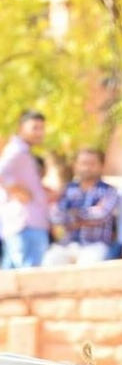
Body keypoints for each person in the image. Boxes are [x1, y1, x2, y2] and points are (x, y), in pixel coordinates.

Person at [44, 148, 119, 266]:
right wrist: (85, 217)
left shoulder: (109, 191)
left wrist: (72, 216)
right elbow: (56, 217)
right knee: (49, 261)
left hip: (95, 245)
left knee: (88, 266)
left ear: (101, 166)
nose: (87, 168)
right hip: (67, 244)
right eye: (83, 163)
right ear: (75, 166)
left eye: (92, 164)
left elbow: (101, 215)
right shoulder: (68, 189)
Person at [0, 110, 51, 268]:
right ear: (21, 128)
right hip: (26, 223)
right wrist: (16, 191)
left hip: (26, 223)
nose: (39, 133)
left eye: (42, 128)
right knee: (29, 275)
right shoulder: (17, 150)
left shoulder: (23, 151)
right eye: (34, 128)